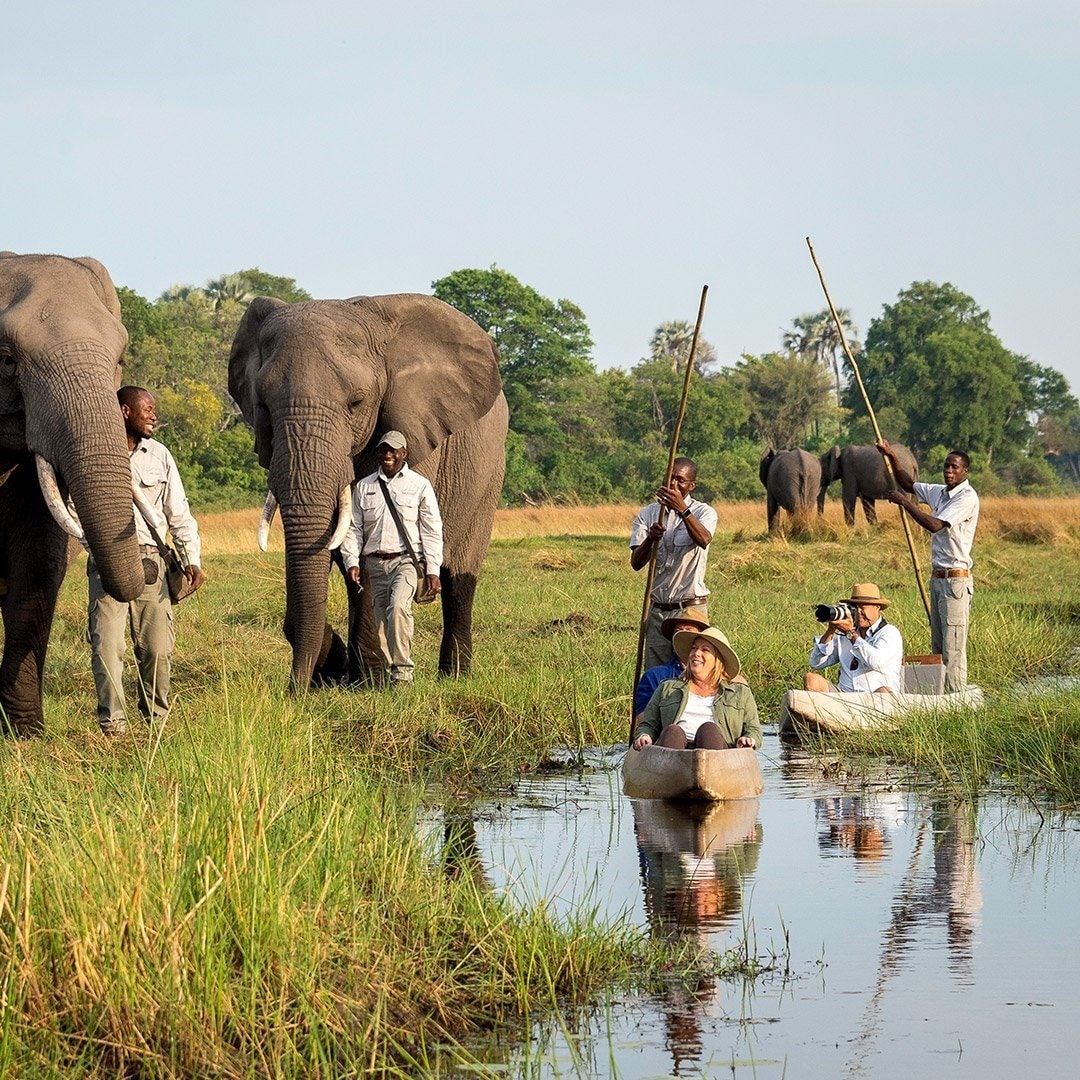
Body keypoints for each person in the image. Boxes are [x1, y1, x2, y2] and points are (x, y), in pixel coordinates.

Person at [89, 387, 205, 736]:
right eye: (148, 409)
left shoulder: (159, 455)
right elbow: (75, 508)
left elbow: (178, 511)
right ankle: (113, 727)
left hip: (152, 560)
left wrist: (191, 558)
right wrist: (94, 546)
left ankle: (156, 722)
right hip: (107, 560)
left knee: (156, 649)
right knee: (107, 648)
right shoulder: (95, 454)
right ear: (125, 411)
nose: (154, 415)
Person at [342, 431, 443, 686]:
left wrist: (433, 570)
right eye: (384, 450)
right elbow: (353, 529)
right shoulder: (364, 487)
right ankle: (390, 673)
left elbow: (432, 530)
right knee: (379, 625)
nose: (388, 454)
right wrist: (351, 562)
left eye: (393, 450)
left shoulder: (419, 486)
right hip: (374, 565)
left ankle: (403, 675)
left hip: (406, 563)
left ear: (404, 454)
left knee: (398, 608)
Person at [877, 440, 980, 690]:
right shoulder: (940, 492)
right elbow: (908, 484)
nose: (949, 471)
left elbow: (935, 525)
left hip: (956, 581)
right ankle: (939, 695)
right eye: (946, 466)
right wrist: (891, 456)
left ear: (965, 471)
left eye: (954, 467)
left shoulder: (967, 497)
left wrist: (906, 503)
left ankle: (956, 697)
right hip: (937, 579)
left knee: (953, 647)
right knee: (937, 644)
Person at [630, 457, 717, 670]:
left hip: (689, 608)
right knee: (655, 675)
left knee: (690, 672)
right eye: (670, 478)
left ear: (691, 485)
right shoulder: (649, 513)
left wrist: (682, 509)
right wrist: (651, 539)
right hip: (658, 610)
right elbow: (636, 563)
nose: (673, 485)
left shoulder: (704, 512)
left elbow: (703, 539)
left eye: (680, 480)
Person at [632, 627, 760, 751]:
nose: (696, 653)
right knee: (673, 731)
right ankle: (673, 772)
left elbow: (753, 729)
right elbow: (648, 725)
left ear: (718, 659)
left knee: (709, 730)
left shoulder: (740, 693)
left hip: (720, 756)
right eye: (694, 648)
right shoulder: (667, 688)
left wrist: (749, 739)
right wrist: (644, 736)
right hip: (675, 752)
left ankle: (710, 771)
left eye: (705, 649)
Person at [805, 582, 903, 694]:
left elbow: (876, 662)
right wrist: (830, 631)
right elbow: (816, 663)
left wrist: (850, 634)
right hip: (845, 696)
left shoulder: (889, 633)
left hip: (875, 697)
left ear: (877, 607)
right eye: (855, 607)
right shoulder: (846, 633)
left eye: (863, 607)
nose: (859, 612)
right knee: (811, 679)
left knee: (883, 692)